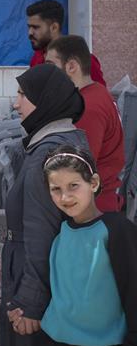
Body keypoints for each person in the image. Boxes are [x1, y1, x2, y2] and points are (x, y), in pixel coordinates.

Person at [0, 63, 87, 346]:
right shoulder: (65, 145)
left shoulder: (47, 158)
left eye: (23, 94)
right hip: (51, 277)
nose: (15, 102)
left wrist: (29, 303)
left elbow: (42, 235)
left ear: (46, 101)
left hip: (32, 274)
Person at [29, 145, 137, 346]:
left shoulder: (117, 231)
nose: (65, 196)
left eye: (73, 186)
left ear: (94, 183)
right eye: (55, 189)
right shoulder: (60, 234)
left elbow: (134, 293)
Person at [44, 35, 125, 213]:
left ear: (71, 66)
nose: (46, 74)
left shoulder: (87, 107)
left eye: (50, 66)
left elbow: (76, 167)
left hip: (91, 210)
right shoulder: (98, 93)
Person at [26, 0, 106, 86]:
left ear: (54, 27)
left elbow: (99, 93)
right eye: (29, 27)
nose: (30, 33)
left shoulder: (83, 59)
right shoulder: (37, 57)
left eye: (35, 27)